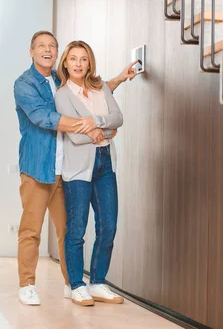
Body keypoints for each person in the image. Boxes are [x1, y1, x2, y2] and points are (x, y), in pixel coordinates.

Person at [14, 31, 135, 306]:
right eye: (41, 46)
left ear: (58, 54)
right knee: (31, 229)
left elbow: (91, 93)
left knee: (68, 229)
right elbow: (44, 117)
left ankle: (73, 283)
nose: (47, 50)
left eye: (52, 46)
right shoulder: (24, 84)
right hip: (38, 167)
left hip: (66, 168)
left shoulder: (61, 78)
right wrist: (93, 128)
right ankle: (27, 284)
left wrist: (117, 79)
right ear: (31, 51)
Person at [54, 40, 124, 307]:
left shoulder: (101, 88)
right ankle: (76, 285)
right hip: (79, 168)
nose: (79, 64)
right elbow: (74, 136)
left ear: (89, 62)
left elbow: (118, 118)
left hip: (106, 163)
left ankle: (97, 282)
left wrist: (97, 125)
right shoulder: (62, 94)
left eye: (83, 59)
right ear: (65, 62)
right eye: (73, 59)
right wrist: (105, 132)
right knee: (77, 229)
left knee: (108, 226)